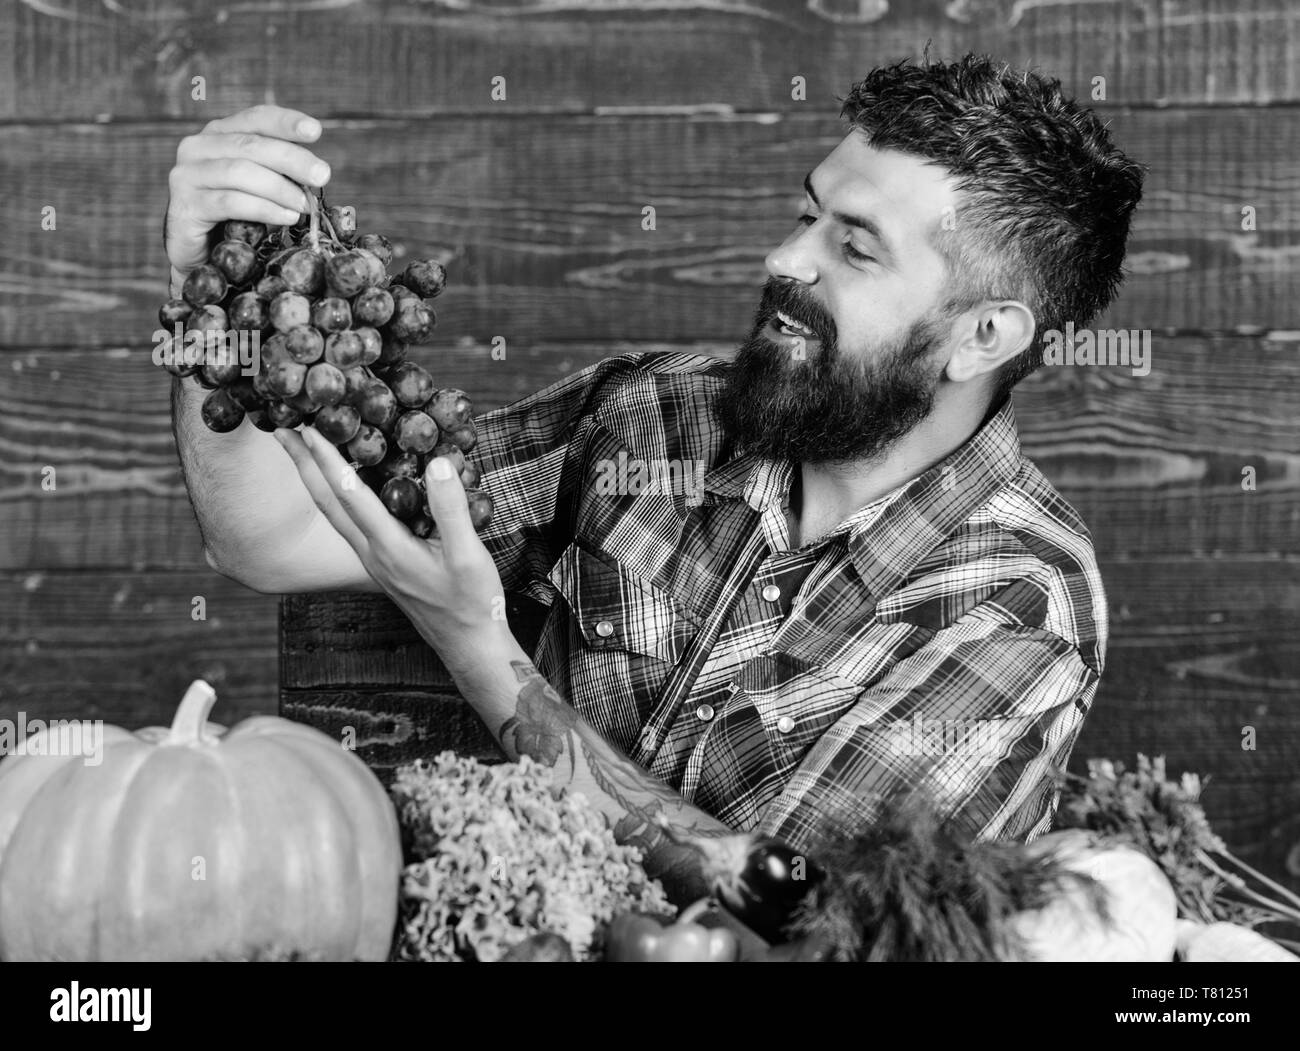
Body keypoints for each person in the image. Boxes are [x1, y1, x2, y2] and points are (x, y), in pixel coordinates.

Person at [165, 53, 1145, 906]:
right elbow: (268, 536)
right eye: (806, 212)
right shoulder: (653, 417)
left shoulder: (1014, 605)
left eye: (850, 247)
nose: (784, 258)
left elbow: (799, 919)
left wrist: (481, 654)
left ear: (983, 336)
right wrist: (217, 288)